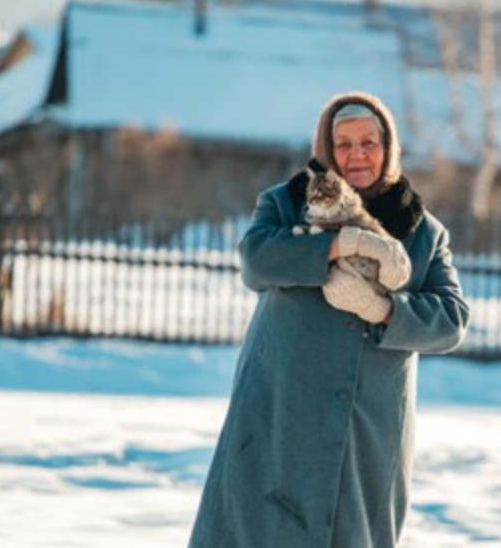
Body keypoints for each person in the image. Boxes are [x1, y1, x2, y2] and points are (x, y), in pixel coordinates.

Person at [188, 91, 471, 547]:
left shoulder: (422, 231)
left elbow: (452, 321)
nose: (357, 154)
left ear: (388, 147)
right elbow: (256, 261)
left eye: (369, 142)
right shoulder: (288, 203)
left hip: (365, 429)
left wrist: (384, 309)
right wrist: (339, 246)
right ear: (326, 148)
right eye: (344, 144)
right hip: (278, 416)